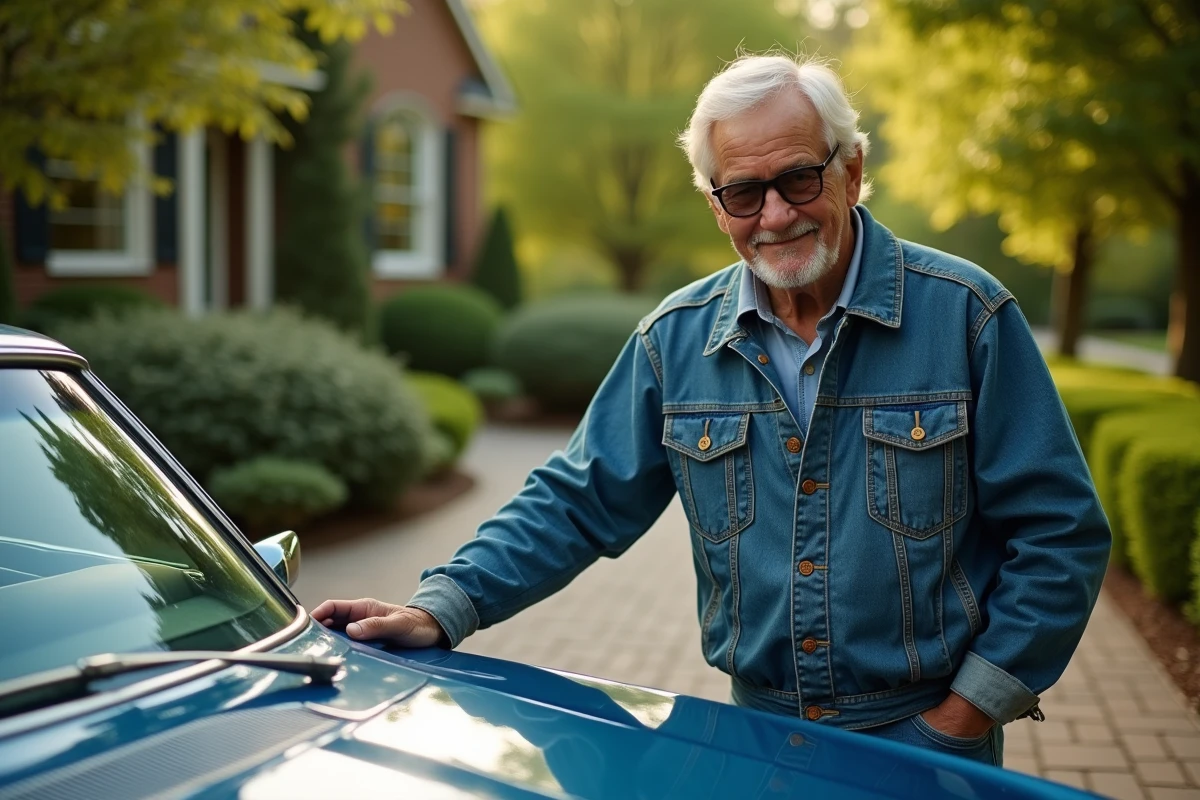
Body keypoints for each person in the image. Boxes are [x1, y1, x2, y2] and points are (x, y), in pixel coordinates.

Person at [314, 54, 1111, 766]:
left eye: (800, 179)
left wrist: (962, 718)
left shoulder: (967, 315)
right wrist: (442, 607)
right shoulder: (674, 341)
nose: (775, 215)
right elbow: (576, 501)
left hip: (927, 740)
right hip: (753, 739)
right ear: (715, 205)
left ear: (852, 169)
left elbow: (1060, 533)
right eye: (743, 193)